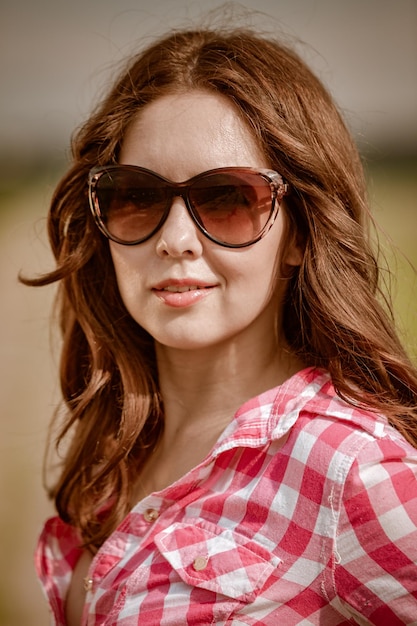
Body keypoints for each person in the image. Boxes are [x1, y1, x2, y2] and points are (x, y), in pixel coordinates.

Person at [23, 24, 417, 626]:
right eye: (137, 197)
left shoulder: (351, 465)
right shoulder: (119, 445)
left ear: (300, 233)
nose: (176, 241)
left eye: (228, 197)